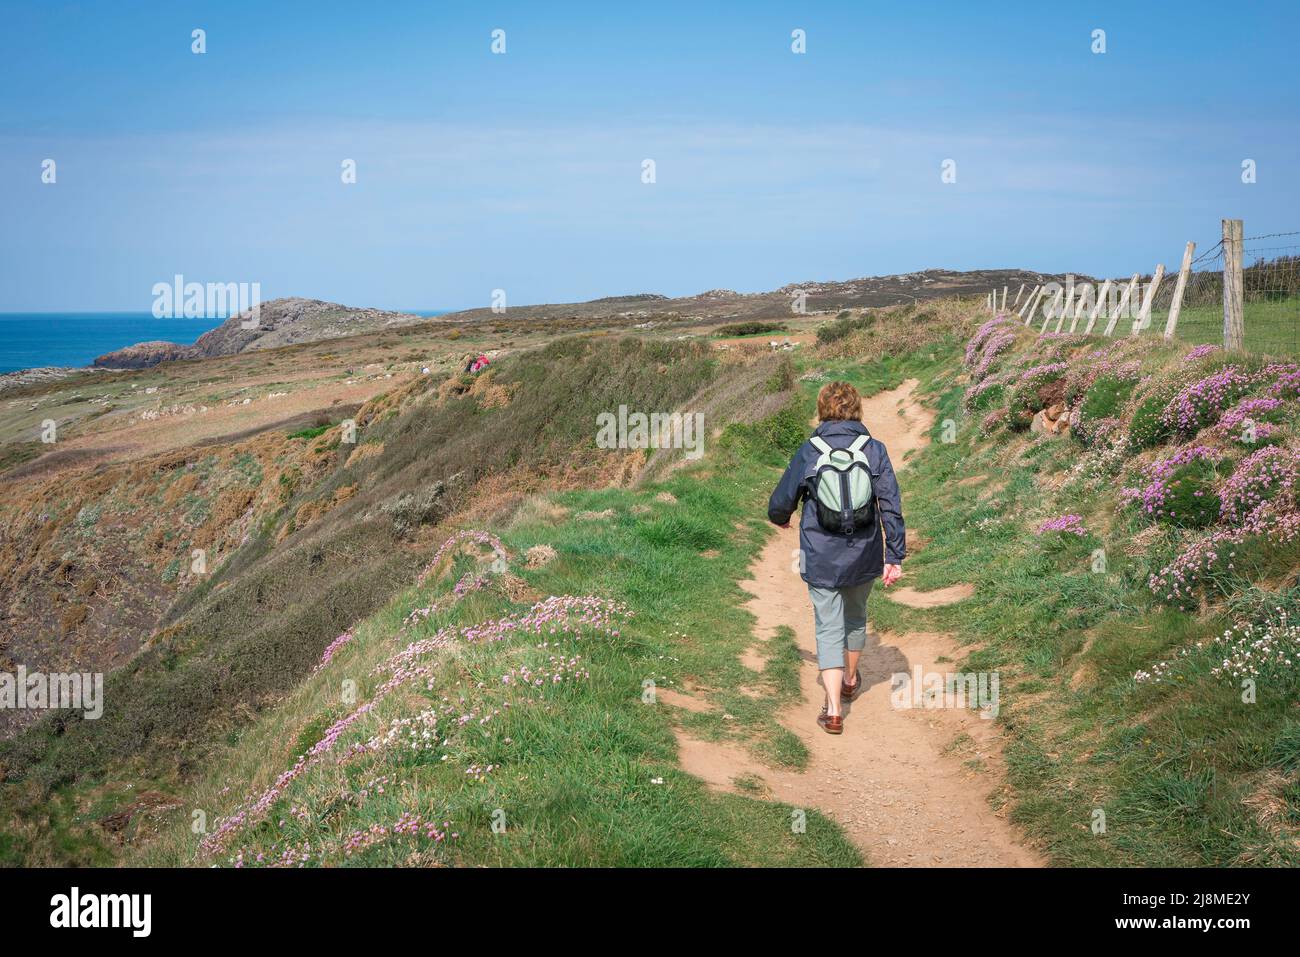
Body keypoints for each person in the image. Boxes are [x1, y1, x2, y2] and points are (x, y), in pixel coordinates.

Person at [767, 380, 905, 734]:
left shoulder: (810, 449)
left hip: (821, 552)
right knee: (856, 618)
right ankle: (850, 679)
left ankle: (832, 711)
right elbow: (890, 504)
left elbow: (783, 500)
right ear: (857, 409)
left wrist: (780, 519)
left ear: (822, 409)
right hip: (864, 551)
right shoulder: (873, 449)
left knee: (828, 626)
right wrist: (895, 555)